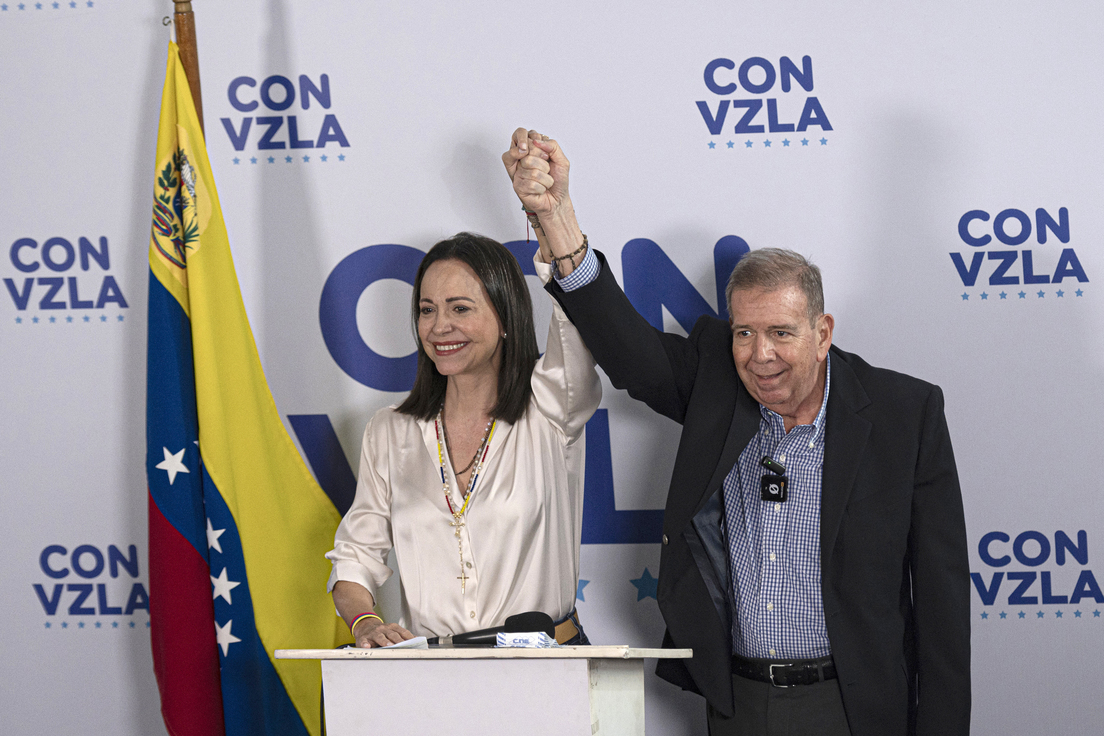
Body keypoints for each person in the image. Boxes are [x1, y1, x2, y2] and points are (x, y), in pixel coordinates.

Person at [503, 128, 970, 735]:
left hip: (856, 708)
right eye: (744, 332)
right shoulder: (718, 381)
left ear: (822, 333)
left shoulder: (905, 414)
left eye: (781, 333)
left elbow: (941, 606)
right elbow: (629, 351)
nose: (759, 354)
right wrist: (557, 218)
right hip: (739, 704)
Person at [327, 232, 601, 648]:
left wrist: (553, 225)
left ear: (505, 317)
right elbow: (355, 556)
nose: (439, 327)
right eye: (427, 310)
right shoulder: (390, 431)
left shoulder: (551, 407)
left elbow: (573, 330)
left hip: (546, 667)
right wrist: (365, 622)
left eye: (460, 308)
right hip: (432, 674)